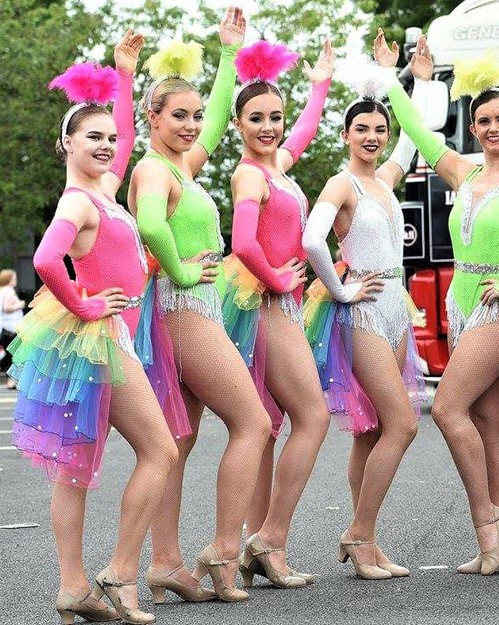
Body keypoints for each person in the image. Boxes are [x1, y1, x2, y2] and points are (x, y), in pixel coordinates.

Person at [376, 31, 499, 575]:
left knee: (445, 409)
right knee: (485, 422)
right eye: (481, 121)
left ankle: (486, 523)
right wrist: (399, 79)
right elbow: (415, 128)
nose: (490, 129)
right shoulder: (464, 171)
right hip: (461, 303)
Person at [10, 32, 183, 624]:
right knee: (159, 451)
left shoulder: (103, 191)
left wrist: (124, 75)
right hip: (99, 340)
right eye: (94, 137)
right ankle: (119, 572)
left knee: (76, 468)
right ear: (66, 142)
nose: (109, 146)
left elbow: (130, 141)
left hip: (103, 341)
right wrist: (84, 307)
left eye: (110, 137)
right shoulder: (78, 202)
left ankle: (73, 588)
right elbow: (42, 260)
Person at [128, 7, 272, 603]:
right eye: (176, 116)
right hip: (182, 306)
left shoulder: (181, 163)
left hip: (188, 307)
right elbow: (151, 226)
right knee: (254, 423)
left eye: (190, 116)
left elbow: (216, 117)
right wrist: (184, 268)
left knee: (179, 439)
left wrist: (228, 56)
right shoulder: (154, 170)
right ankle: (220, 550)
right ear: (151, 118)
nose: (191, 125)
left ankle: (165, 563)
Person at [302, 50, 429, 580]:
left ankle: (368, 543)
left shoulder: (384, 181)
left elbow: (413, 139)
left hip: (396, 309)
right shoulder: (343, 184)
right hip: (362, 313)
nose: (373, 137)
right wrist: (338, 290)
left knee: (372, 430)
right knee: (402, 423)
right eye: (362, 129)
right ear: (346, 135)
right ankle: (358, 534)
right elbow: (312, 239)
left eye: (379, 129)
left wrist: (414, 82)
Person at [221, 39, 334, 588]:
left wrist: (320, 88)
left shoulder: (280, 166)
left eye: (275, 118)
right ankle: (269, 539)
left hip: (274, 302)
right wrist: (277, 279)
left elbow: (304, 134)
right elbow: (243, 242)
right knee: (312, 417)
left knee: (268, 425)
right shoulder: (249, 175)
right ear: (238, 124)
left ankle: (258, 542)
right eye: (256, 119)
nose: (268, 127)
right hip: (262, 302)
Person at [0, 269, 25, 388]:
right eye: (14, 277)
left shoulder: (2, 291)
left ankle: (12, 381)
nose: (15, 280)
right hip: (11, 329)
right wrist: (20, 305)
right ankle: (12, 382)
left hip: (6, 329)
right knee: (15, 355)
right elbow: (7, 307)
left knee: (10, 356)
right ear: (9, 279)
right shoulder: (9, 291)